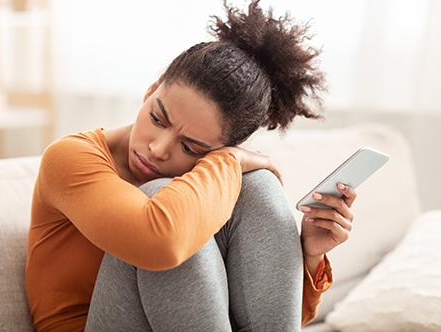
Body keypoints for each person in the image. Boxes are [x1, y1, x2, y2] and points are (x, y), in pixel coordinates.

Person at [25, 1, 355, 331]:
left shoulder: (204, 183)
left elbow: (261, 318)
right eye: (157, 118)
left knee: (258, 184)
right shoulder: (69, 157)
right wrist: (230, 159)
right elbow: (159, 244)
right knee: (161, 200)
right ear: (151, 90)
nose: (157, 149)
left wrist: (308, 256)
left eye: (189, 147)